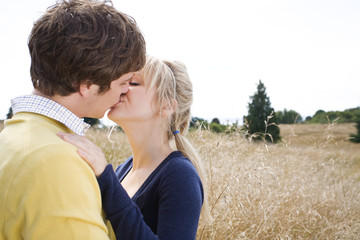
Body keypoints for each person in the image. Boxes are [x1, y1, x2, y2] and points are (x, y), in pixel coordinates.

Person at [0, 0, 145, 239]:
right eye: (123, 82)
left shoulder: (12, 135)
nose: (125, 92)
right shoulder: (57, 162)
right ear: (87, 85)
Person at [58, 56, 212, 239]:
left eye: (133, 83)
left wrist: (107, 180)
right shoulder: (123, 169)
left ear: (166, 106)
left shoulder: (180, 175)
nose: (122, 88)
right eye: (123, 81)